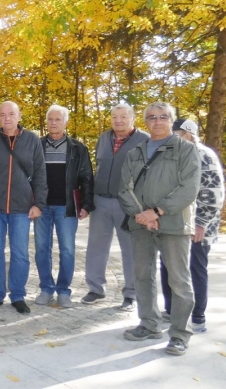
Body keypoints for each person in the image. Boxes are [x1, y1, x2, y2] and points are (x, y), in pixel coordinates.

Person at [118, 102, 199, 357]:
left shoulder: (186, 150)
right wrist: (143, 216)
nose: (157, 121)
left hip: (174, 225)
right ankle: (149, 324)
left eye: (163, 117)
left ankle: (179, 334)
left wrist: (158, 211)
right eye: (152, 117)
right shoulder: (136, 152)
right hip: (141, 225)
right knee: (142, 274)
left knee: (178, 280)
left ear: (171, 120)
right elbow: (124, 188)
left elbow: (189, 188)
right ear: (145, 121)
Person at [0, 101, 47, 314]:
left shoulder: (32, 140)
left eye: (11, 114)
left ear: (19, 116)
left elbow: (41, 174)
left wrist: (38, 204)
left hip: (22, 208)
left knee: (20, 253)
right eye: (3, 115)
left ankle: (18, 295)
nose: (7, 118)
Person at [160, 119, 225, 334]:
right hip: (174, 222)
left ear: (189, 133)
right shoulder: (173, 152)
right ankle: (171, 310)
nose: (174, 136)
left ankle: (198, 317)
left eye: (177, 133)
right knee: (168, 266)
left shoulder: (204, 155)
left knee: (195, 268)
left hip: (199, 225)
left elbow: (214, 192)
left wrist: (201, 223)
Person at [83, 102, 148, 310]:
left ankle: (131, 293)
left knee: (130, 249)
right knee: (96, 246)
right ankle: (95, 288)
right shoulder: (104, 138)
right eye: (114, 117)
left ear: (132, 118)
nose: (118, 121)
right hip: (101, 200)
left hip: (128, 204)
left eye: (123, 117)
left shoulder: (144, 140)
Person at [33, 105, 94, 309]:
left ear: (66, 122)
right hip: (41, 206)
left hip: (67, 207)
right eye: (50, 119)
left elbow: (86, 177)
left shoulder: (78, 148)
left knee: (67, 250)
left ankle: (63, 291)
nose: (53, 123)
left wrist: (86, 204)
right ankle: (46, 288)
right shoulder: (36, 145)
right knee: (42, 249)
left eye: (58, 119)